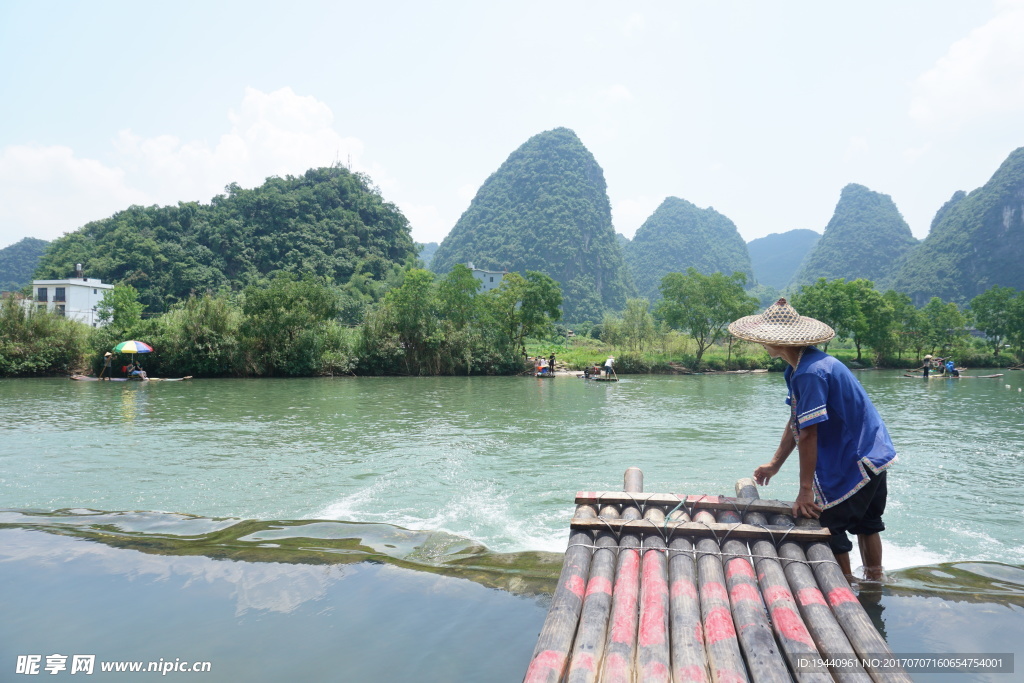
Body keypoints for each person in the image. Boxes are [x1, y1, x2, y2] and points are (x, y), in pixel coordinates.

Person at [728, 298, 896, 583]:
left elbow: (808, 433)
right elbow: (798, 419)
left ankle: (845, 588)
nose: (761, 344)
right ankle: (874, 583)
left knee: (827, 525)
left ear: (778, 342)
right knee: (868, 525)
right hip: (875, 452)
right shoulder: (801, 367)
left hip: (856, 459)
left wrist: (805, 490)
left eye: (764, 340)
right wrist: (774, 464)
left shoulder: (809, 373)